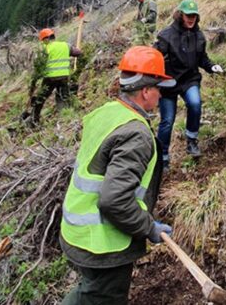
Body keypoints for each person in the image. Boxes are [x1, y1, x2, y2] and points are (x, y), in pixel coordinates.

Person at [59, 46, 175, 304]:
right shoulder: (136, 134)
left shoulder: (107, 113)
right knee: (100, 297)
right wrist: (148, 228)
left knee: (88, 292)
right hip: (102, 243)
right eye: (159, 89)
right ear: (146, 91)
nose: (161, 96)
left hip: (75, 230)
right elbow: (114, 201)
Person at [154, 0, 223, 165]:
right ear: (180, 15)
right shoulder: (165, 36)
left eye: (194, 15)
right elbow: (154, 58)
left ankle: (191, 140)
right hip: (168, 83)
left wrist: (212, 67)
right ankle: (162, 158)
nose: (191, 18)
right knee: (167, 121)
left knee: (195, 103)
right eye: (188, 15)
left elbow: (203, 59)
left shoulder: (199, 36)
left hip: (189, 80)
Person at [22, 27, 82, 125]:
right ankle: (66, 120)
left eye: (42, 41)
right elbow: (78, 53)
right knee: (63, 98)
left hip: (50, 78)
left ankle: (34, 120)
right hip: (64, 77)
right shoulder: (65, 45)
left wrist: (33, 86)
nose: (42, 43)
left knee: (40, 99)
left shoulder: (45, 49)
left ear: (45, 39)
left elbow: (38, 68)